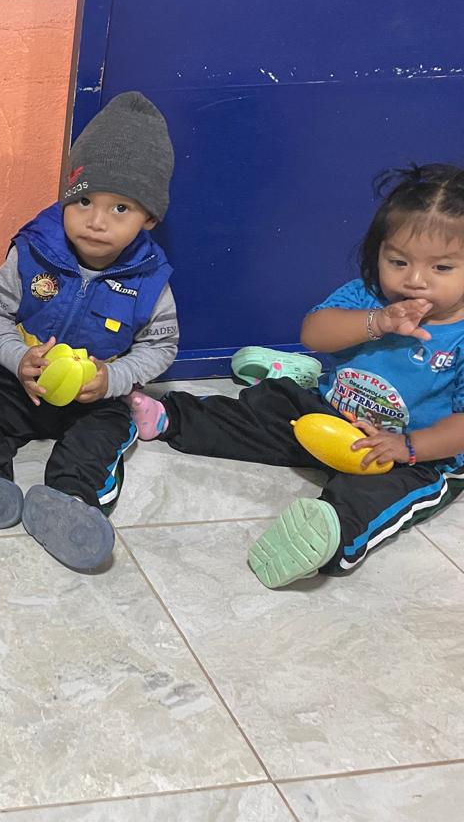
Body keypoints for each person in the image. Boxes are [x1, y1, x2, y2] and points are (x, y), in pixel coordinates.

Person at [127, 163, 464, 587]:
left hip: (412, 453)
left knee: (378, 497)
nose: (414, 280)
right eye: (398, 261)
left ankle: (328, 535)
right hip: (331, 412)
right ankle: (171, 416)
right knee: (273, 404)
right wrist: (377, 322)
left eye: (441, 268)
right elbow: (315, 334)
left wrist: (408, 446)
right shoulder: (369, 297)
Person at [0, 92, 178, 571]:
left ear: (150, 218)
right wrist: (18, 358)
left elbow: (161, 346)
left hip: (92, 399)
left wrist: (112, 379)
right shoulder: (34, 251)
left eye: (120, 208)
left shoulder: (150, 280)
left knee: (107, 428)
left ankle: (70, 499)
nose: (96, 221)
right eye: (84, 201)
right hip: (18, 385)